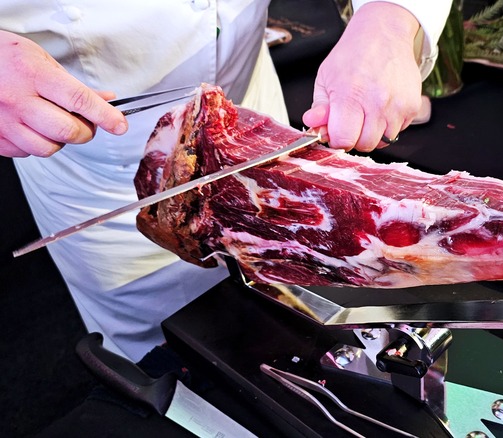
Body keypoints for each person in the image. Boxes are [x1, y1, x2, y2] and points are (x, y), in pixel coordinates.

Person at [0, 0, 451, 362]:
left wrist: (391, 17)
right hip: (107, 169)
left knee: (298, 323)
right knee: (176, 358)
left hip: (254, 128)